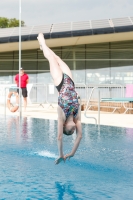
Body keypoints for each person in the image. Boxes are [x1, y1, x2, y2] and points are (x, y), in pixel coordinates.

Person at [37, 33, 82, 164]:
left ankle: (42, 42)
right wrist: (72, 154)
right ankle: (43, 46)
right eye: (74, 130)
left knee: (51, 58)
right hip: (71, 81)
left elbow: (59, 137)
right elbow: (80, 136)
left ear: (64, 126)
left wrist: (61, 154)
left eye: (70, 130)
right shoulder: (76, 116)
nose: (74, 130)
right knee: (57, 57)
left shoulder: (61, 116)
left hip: (60, 82)